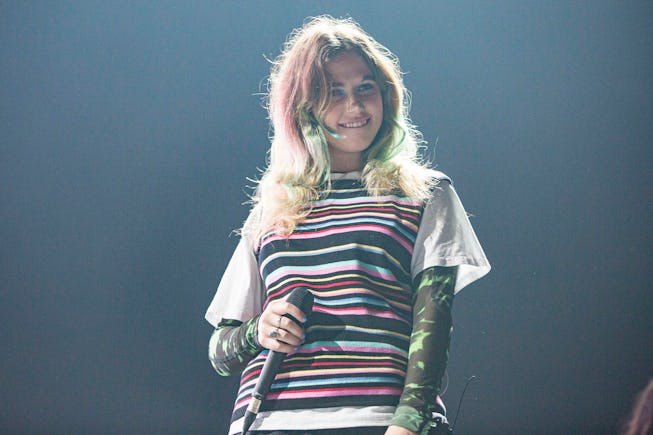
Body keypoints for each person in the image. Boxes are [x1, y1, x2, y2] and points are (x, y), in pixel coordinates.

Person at [205, 16, 490, 435]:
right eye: (333, 93)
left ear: (386, 95)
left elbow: (434, 327)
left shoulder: (425, 194)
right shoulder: (271, 212)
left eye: (364, 88)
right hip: (267, 422)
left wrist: (408, 424)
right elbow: (220, 352)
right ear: (303, 108)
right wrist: (257, 330)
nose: (354, 107)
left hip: (378, 420)